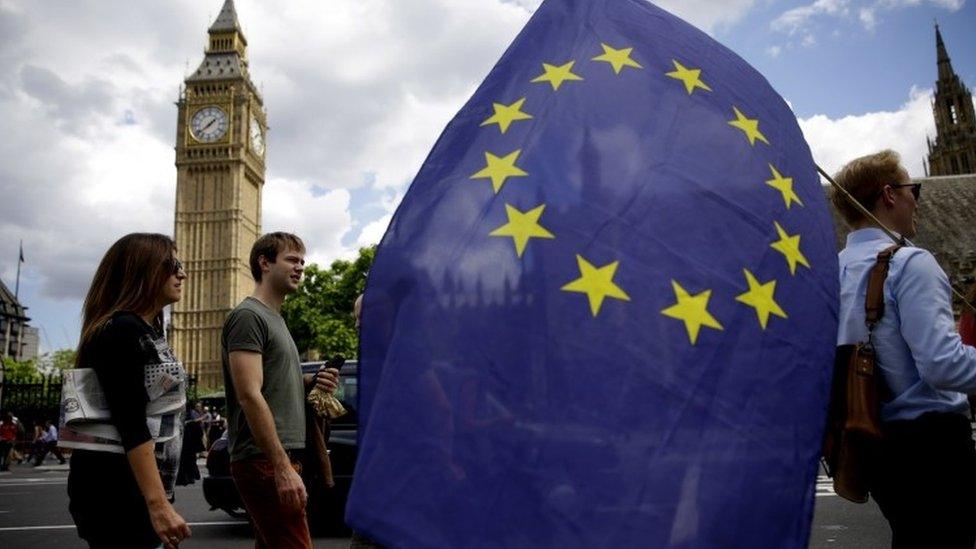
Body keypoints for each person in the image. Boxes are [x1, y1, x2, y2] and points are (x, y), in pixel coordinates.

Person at [832, 150, 976, 548]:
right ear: (890, 195)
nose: (918, 200)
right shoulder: (911, 262)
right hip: (933, 444)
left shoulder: (832, 271)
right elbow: (943, 366)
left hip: (873, 444)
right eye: (914, 189)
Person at [67, 233, 191, 549]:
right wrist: (158, 505)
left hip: (134, 496)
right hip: (120, 498)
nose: (182, 273)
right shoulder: (121, 330)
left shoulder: (142, 331)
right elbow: (131, 424)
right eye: (173, 264)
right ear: (142, 271)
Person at [222, 232, 338, 549]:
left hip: (276, 458)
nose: (300, 267)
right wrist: (281, 467)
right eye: (292, 259)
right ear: (264, 262)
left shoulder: (276, 319)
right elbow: (249, 394)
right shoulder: (249, 316)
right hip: (265, 461)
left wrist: (312, 383)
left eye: (303, 261)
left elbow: (272, 385)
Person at [175, 402, 204, 486]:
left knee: (185, 461)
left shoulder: (184, 418)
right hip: (189, 445)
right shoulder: (191, 417)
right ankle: (190, 477)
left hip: (184, 443)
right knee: (190, 460)